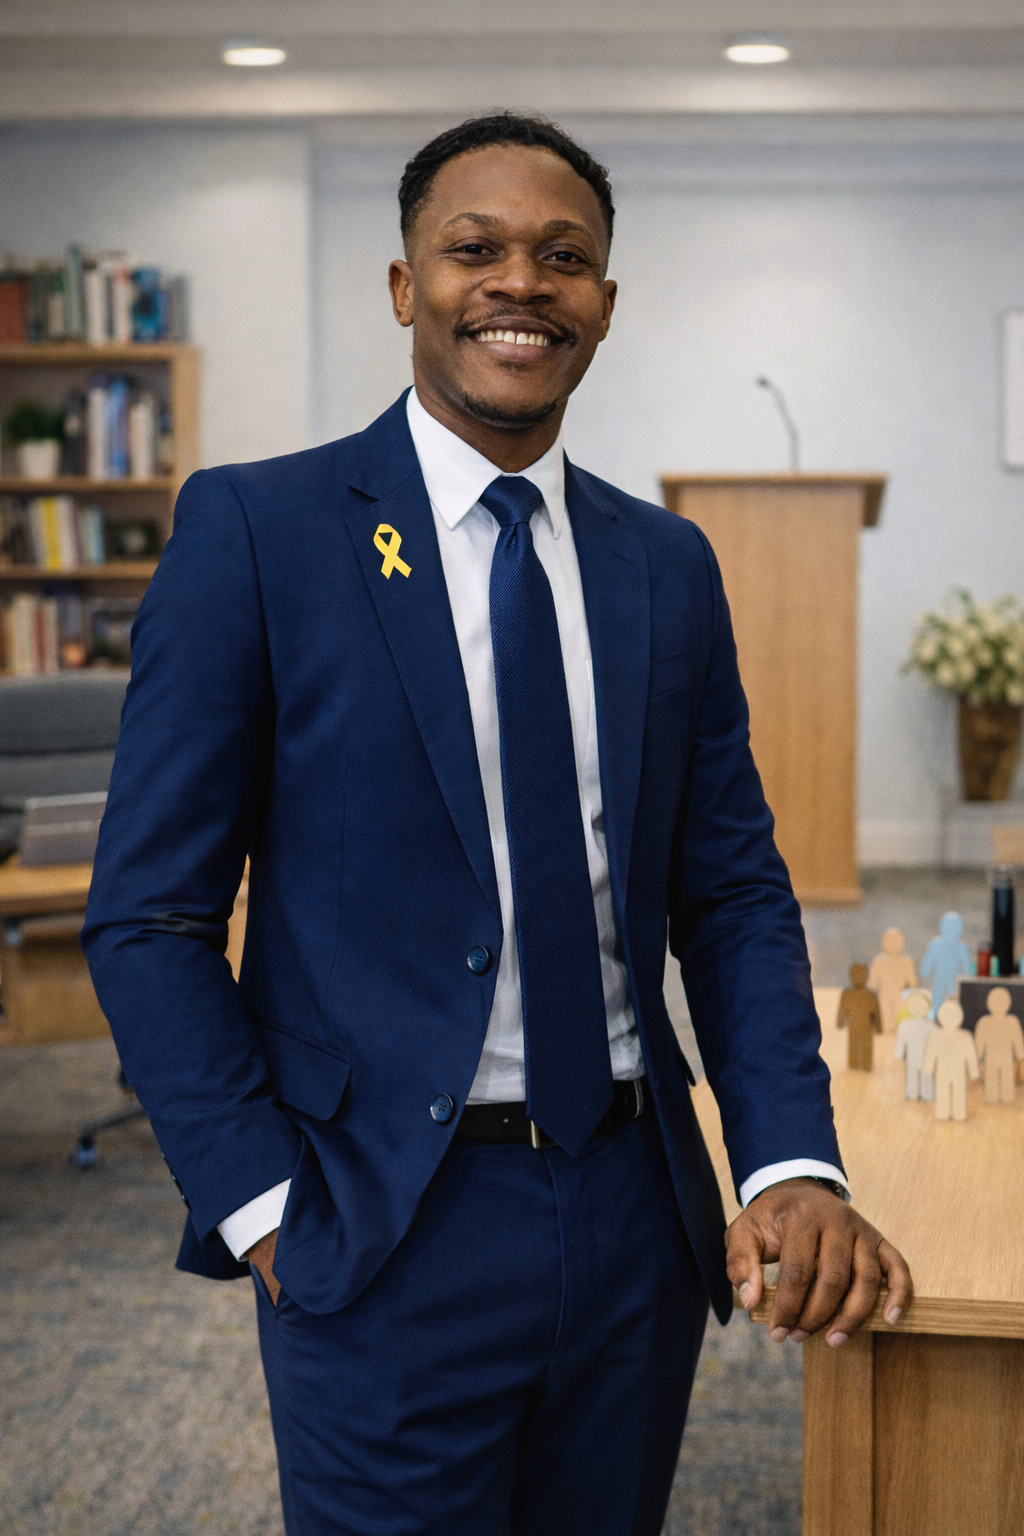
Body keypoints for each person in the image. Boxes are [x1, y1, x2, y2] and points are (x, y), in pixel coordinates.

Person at [83, 113, 912, 1536]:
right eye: (475, 249)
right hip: (380, 1217)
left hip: (635, 1210)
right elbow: (150, 916)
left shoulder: (666, 566)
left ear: (605, 303)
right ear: (406, 286)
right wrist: (265, 1208)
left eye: (564, 257)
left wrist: (787, 1160)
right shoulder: (262, 533)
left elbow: (729, 895)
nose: (520, 282)